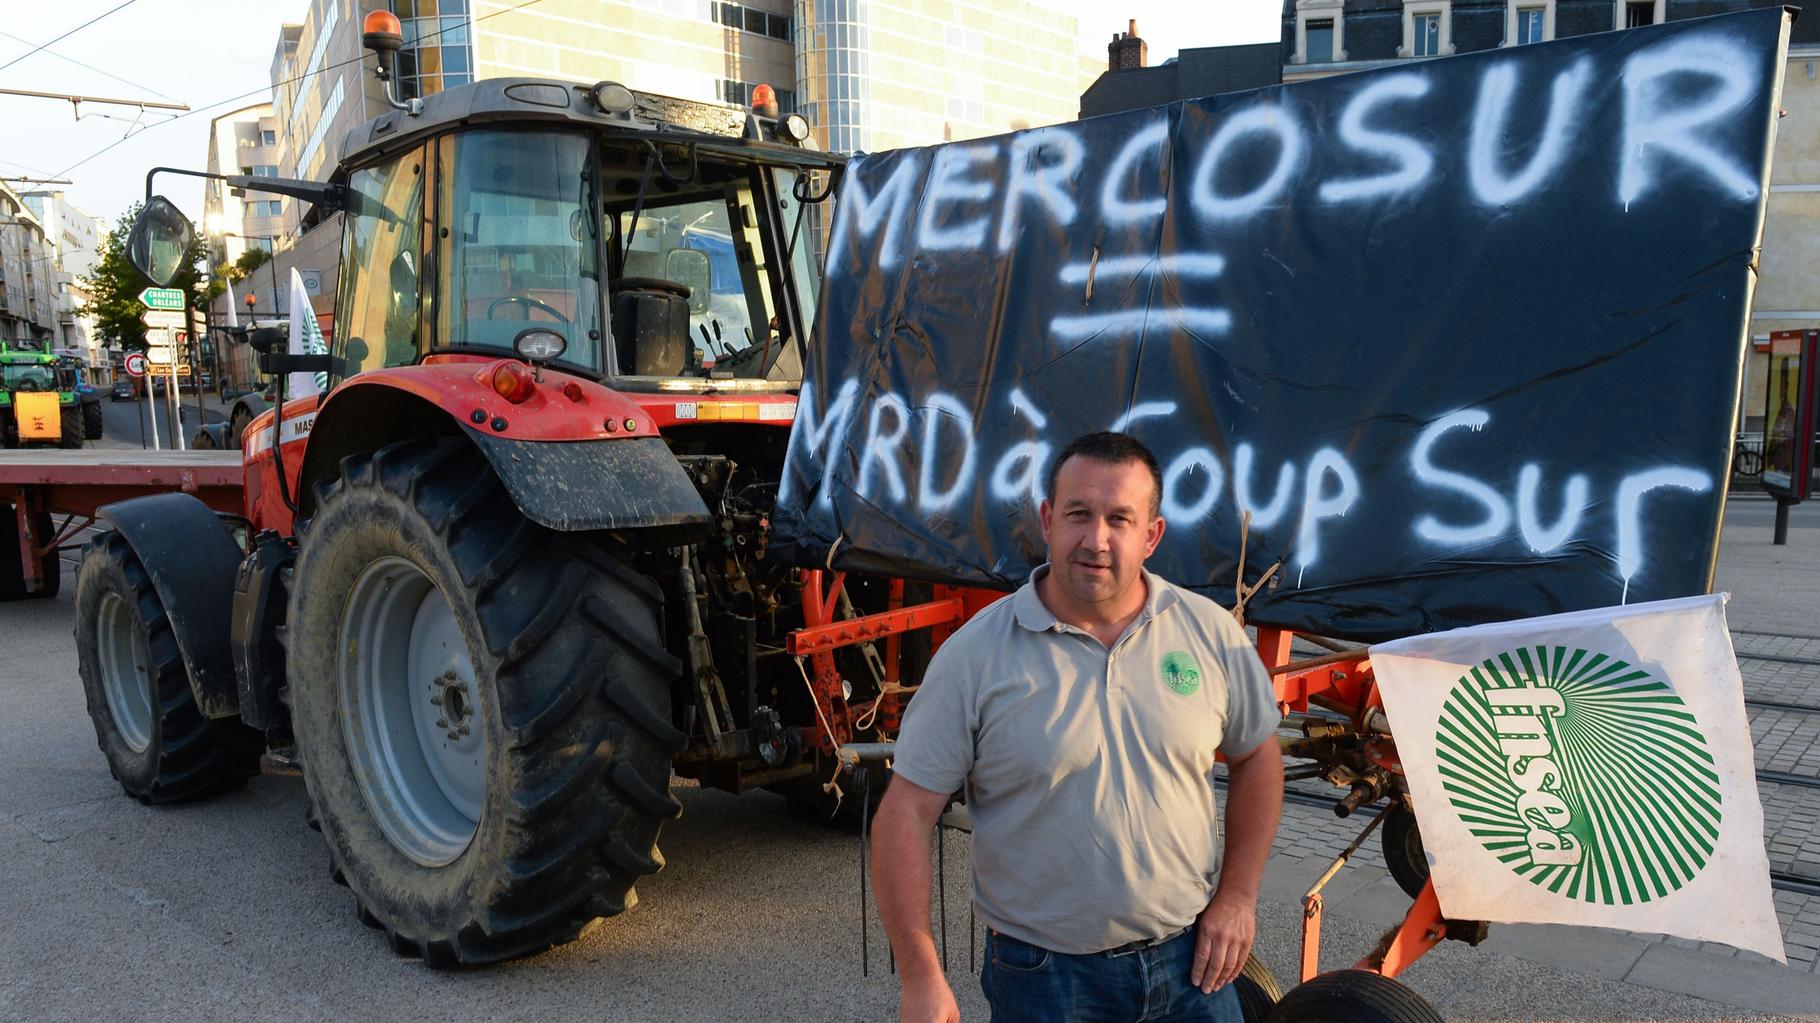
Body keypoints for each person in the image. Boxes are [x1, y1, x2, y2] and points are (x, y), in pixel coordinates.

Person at [873, 431, 1285, 1023]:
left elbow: (1257, 757)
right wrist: (920, 977)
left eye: (1120, 519)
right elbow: (905, 812)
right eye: (1078, 514)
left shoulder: (1208, 634)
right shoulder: (976, 657)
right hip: (1045, 982)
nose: (1096, 539)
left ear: (1151, 535)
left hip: (1191, 967)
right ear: (1047, 520)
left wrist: (1239, 897)